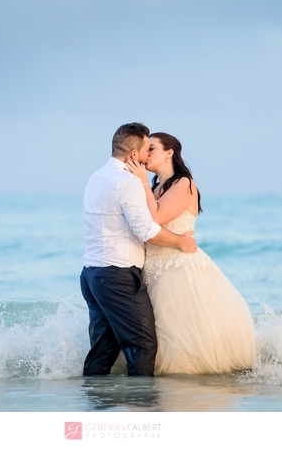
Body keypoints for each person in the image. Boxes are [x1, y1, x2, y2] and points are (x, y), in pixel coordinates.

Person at [125, 132, 256, 375]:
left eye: (151, 148)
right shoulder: (155, 186)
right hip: (153, 270)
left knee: (178, 337)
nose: (146, 154)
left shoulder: (184, 184)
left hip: (177, 271)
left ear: (169, 153)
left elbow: (154, 218)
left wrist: (142, 180)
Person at [81, 123, 198, 377]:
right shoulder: (129, 183)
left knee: (103, 350)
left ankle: (94, 404)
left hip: (91, 274)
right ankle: (141, 405)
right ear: (134, 154)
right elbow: (147, 230)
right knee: (142, 346)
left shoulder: (96, 178)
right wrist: (180, 241)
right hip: (117, 275)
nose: (147, 155)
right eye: (147, 148)